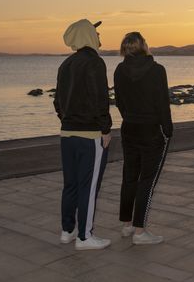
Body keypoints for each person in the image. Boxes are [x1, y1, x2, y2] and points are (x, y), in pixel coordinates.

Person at [53, 19, 112, 250]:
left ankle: (67, 231)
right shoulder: (95, 62)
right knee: (88, 186)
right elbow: (100, 99)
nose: (99, 36)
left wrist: (67, 120)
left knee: (71, 185)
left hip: (67, 134)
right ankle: (85, 237)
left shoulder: (66, 64)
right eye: (96, 32)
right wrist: (105, 129)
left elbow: (58, 102)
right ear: (87, 35)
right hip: (90, 135)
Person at [114, 32, 173, 245]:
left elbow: (119, 101)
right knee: (147, 180)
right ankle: (140, 232)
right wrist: (168, 130)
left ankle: (127, 225)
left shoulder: (120, 70)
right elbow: (162, 103)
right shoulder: (157, 70)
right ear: (144, 46)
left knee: (130, 176)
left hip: (129, 128)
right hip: (151, 130)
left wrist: (130, 117)